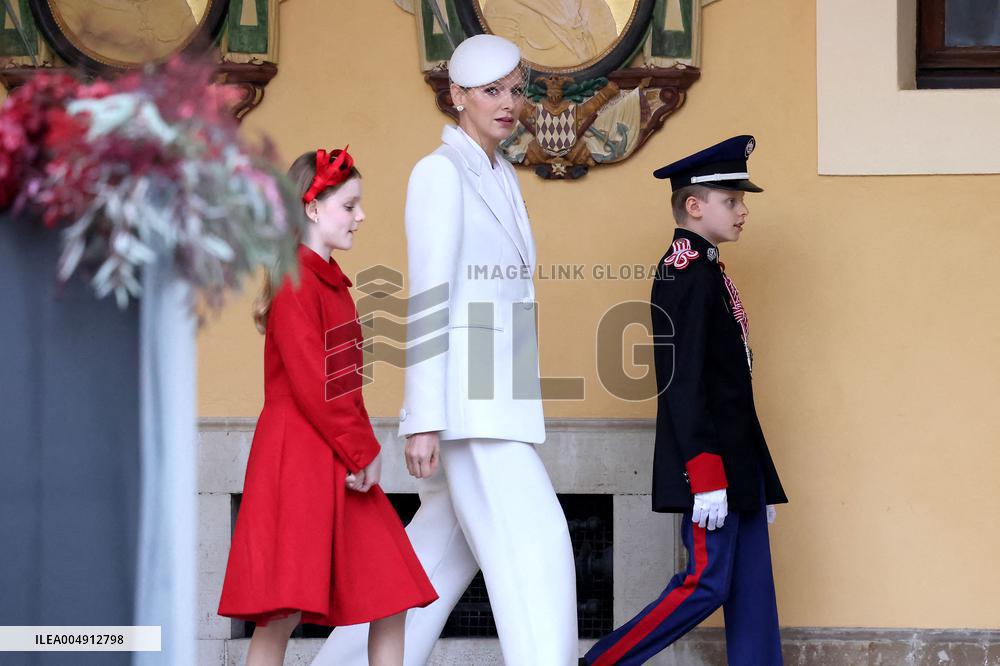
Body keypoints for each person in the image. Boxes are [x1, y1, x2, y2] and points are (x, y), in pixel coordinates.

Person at [313, 35, 579, 666]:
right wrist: (423, 419)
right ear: (457, 96)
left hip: (498, 400)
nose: (508, 103)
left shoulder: (502, 174)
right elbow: (430, 296)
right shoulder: (439, 172)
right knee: (536, 553)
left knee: (423, 570)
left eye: (514, 89)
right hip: (471, 409)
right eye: (491, 91)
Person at [217, 148, 437, 666]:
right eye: (349, 205)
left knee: (393, 591)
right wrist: (363, 450)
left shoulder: (327, 281)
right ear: (312, 208)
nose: (361, 217)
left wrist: (361, 449)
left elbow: (342, 385)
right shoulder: (299, 283)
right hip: (300, 459)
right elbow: (317, 385)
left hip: (334, 454)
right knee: (282, 610)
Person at [582, 136, 788, 665]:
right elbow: (683, 382)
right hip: (712, 465)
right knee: (705, 585)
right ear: (694, 206)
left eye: (743, 201)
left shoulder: (709, 269)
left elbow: (732, 385)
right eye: (732, 200)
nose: (743, 210)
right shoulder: (683, 274)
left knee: (752, 593)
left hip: (739, 464)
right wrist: (707, 474)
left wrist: (758, 477)